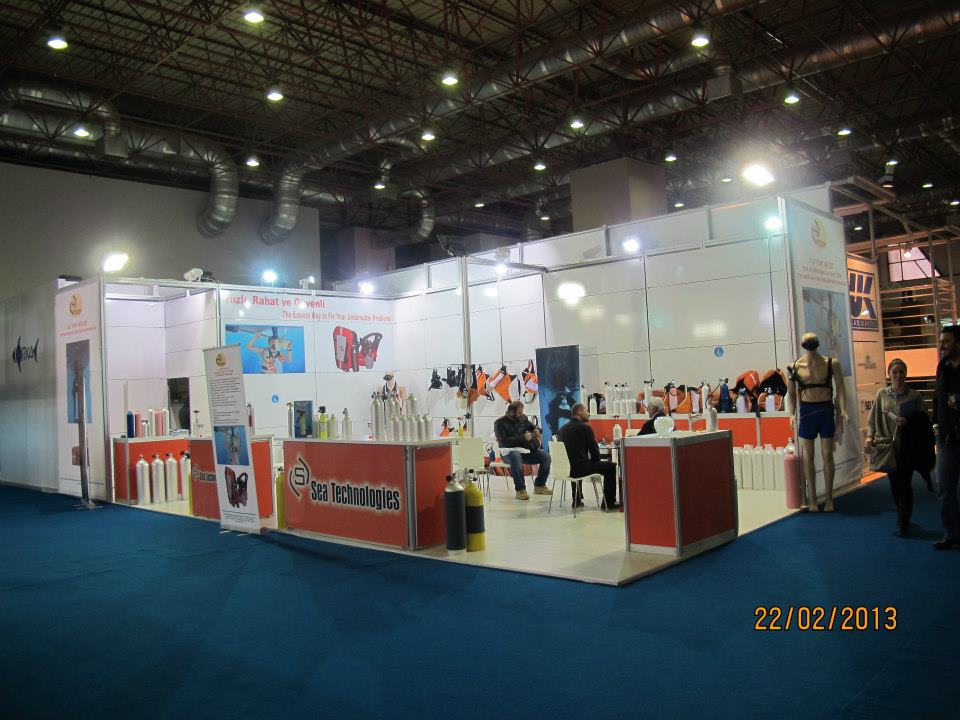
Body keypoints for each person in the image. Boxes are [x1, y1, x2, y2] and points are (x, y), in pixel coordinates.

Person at [864, 359, 934, 537]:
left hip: (908, 447)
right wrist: (870, 437)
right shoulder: (882, 394)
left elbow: (925, 420)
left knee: (904, 484)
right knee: (894, 484)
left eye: (901, 372)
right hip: (888, 447)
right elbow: (872, 420)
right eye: (894, 372)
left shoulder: (914, 396)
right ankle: (900, 512)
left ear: (906, 374)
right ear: (889, 374)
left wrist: (908, 421)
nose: (898, 375)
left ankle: (904, 522)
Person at [785, 331, 848, 512]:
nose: (810, 343)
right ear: (802, 344)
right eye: (807, 340)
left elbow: (841, 388)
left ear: (817, 342)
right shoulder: (794, 367)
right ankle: (812, 500)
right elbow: (791, 394)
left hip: (826, 410)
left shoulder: (831, 363)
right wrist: (791, 414)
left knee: (827, 454)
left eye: (813, 340)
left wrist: (842, 409)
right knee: (808, 456)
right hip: (807, 412)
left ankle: (829, 499)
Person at [557, 403, 620, 510]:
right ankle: (609, 503)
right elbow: (594, 452)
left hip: (566, 469)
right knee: (610, 467)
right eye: (587, 411)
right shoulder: (585, 428)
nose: (589, 414)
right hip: (579, 469)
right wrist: (596, 461)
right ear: (580, 411)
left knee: (577, 461)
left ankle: (576, 500)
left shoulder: (562, 429)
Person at [933, 325, 960, 549]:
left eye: (946, 341)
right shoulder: (942, 367)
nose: (942, 346)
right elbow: (937, 399)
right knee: (944, 488)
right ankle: (952, 534)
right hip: (946, 438)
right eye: (941, 341)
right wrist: (936, 428)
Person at [494, 400, 552, 500]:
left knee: (546, 457)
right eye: (519, 412)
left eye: (522, 412)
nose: (521, 414)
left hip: (524, 451)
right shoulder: (499, 423)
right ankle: (520, 490)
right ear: (511, 412)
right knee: (515, 455)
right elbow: (503, 442)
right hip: (508, 453)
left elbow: (532, 427)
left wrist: (537, 430)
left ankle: (539, 485)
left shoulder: (523, 418)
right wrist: (523, 438)